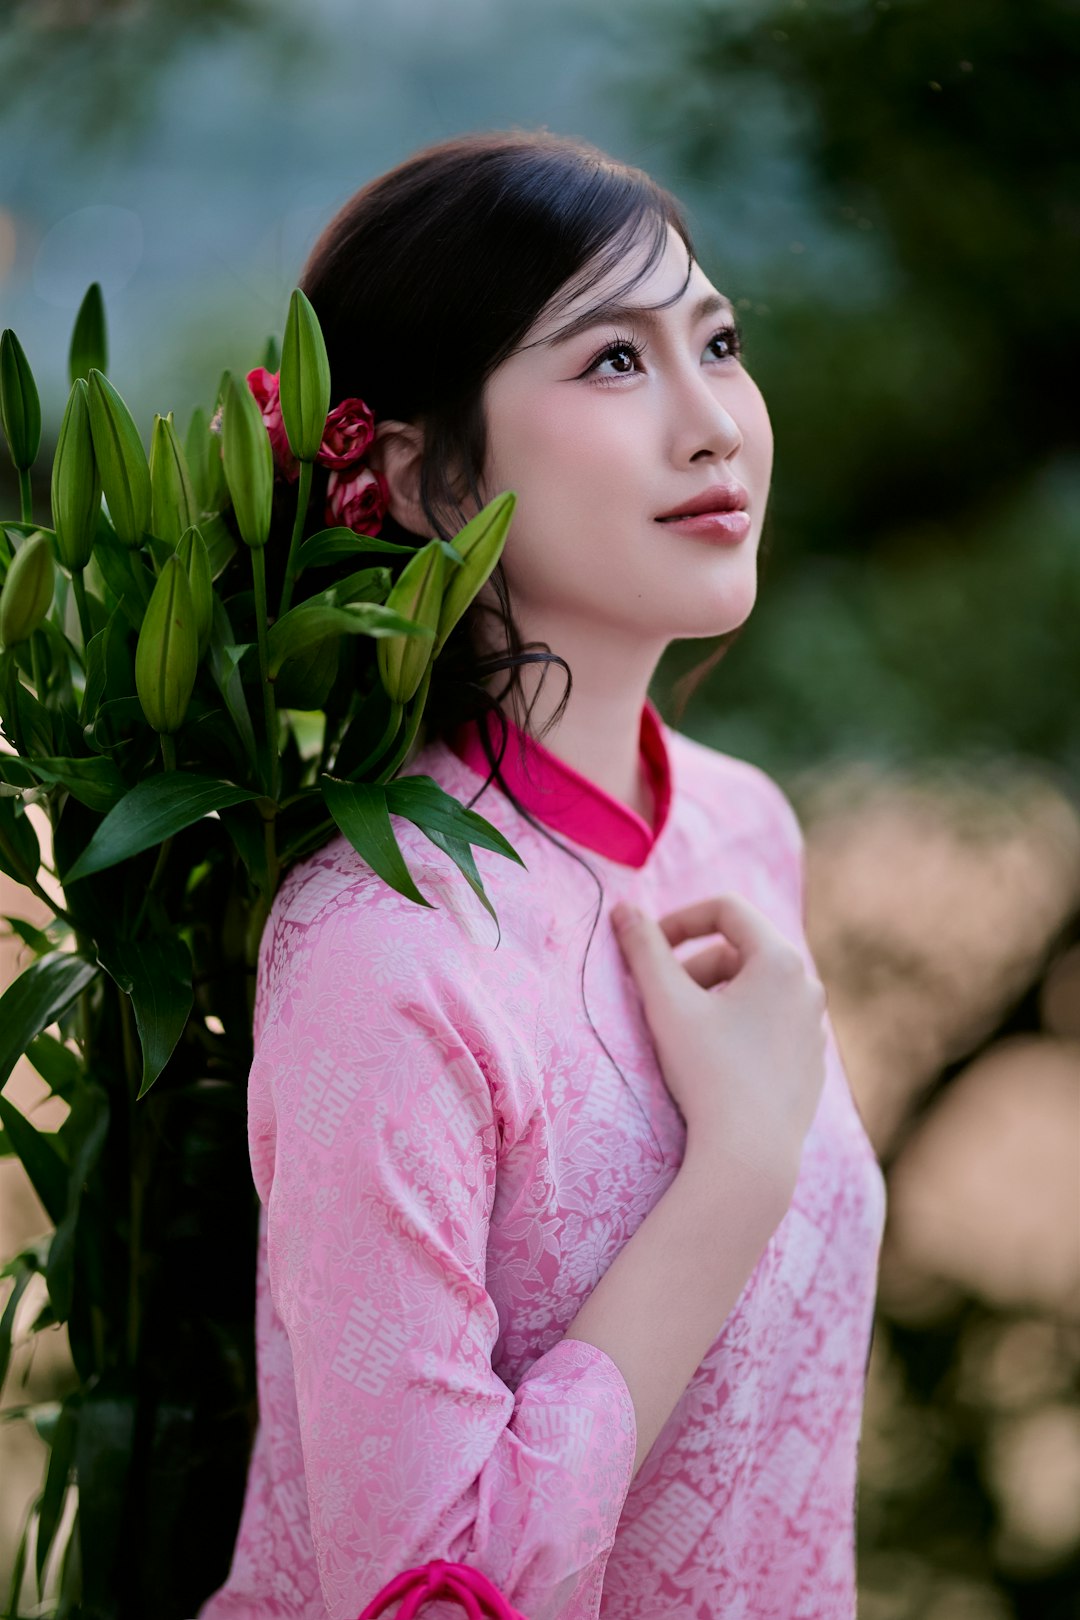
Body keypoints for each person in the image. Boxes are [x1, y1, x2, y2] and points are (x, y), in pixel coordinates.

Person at [198, 128, 887, 1620]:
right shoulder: (378, 951)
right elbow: (433, 1595)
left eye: (717, 341)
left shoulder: (745, 832)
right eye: (615, 364)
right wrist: (737, 1178)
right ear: (424, 473)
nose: (714, 424)